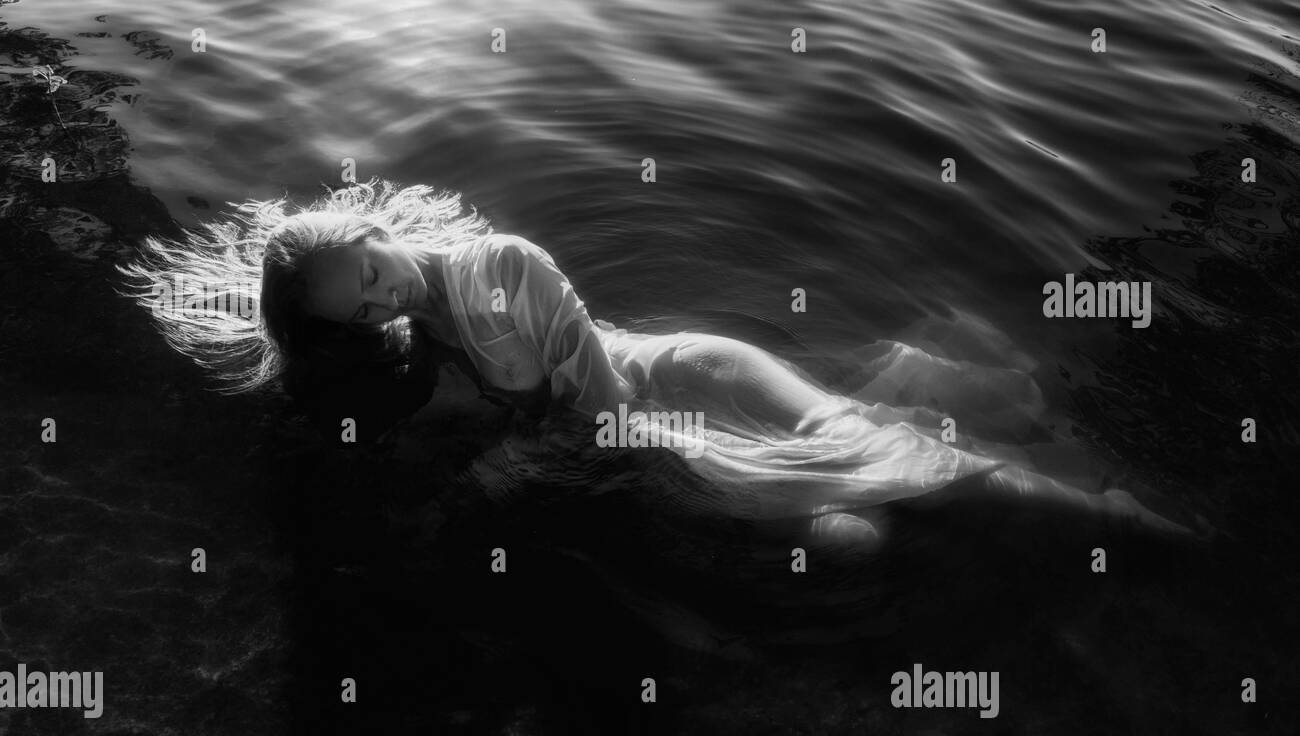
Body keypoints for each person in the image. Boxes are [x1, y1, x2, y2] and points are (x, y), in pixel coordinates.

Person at [117, 179, 1195, 548]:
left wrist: (517, 462)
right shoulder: (426, 314)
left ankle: (1108, 517)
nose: (382, 291)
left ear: (370, 228)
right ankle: (927, 376)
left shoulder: (497, 268)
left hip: (676, 394)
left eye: (370, 266)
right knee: (854, 523)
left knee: (878, 477)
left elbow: (595, 404)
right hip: (661, 406)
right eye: (359, 302)